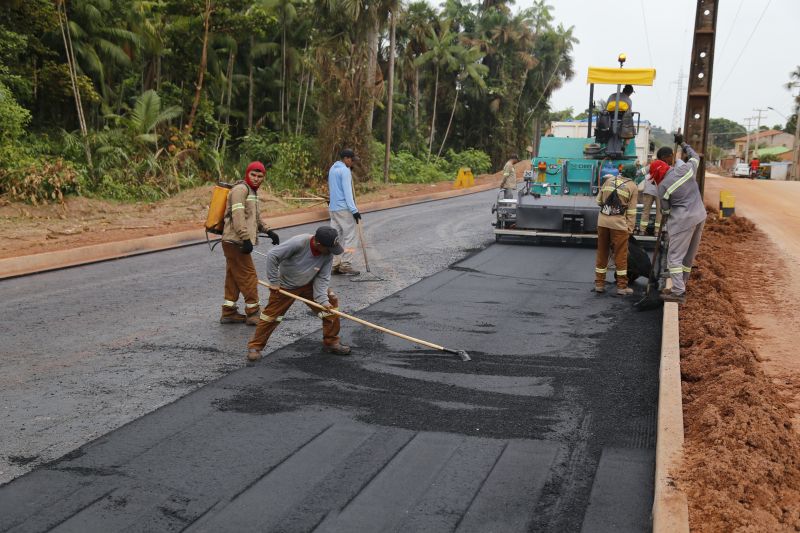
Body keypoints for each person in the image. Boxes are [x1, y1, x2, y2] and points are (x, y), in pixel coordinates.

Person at [247, 226, 351, 361]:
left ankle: (331, 342)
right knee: (270, 317)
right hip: (286, 286)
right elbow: (273, 255)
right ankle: (255, 347)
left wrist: (322, 300)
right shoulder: (299, 243)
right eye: (328, 249)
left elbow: (323, 278)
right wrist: (274, 281)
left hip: (310, 283)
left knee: (331, 305)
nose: (330, 252)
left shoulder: (328, 253)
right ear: (318, 243)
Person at [220, 161, 280, 325]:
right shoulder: (240, 190)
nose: (256, 179)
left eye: (260, 176)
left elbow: (255, 218)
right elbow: (238, 216)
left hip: (236, 240)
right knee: (249, 276)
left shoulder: (252, 192)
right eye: (253, 175)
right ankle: (253, 313)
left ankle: (228, 311)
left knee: (234, 276)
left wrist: (268, 231)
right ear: (247, 174)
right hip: (235, 241)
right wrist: (245, 238)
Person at [649, 134, 706, 304]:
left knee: (674, 257)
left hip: (683, 221)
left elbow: (665, 211)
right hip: (700, 215)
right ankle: (682, 284)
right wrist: (683, 143)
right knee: (688, 257)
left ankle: (678, 292)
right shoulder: (686, 169)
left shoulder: (663, 187)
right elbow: (695, 157)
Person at [594, 171, 638, 296]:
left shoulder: (608, 181)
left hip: (602, 222)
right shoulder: (633, 186)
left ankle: (599, 284)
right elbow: (632, 211)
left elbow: (598, 201)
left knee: (602, 252)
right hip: (618, 225)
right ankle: (622, 287)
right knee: (620, 255)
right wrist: (629, 228)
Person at [328, 148, 361, 275]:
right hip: (344, 209)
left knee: (335, 237)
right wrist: (354, 210)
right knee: (351, 236)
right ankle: (346, 264)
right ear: (346, 158)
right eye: (352, 160)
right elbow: (348, 193)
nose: (352, 163)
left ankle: (335, 264)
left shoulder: (332, 168)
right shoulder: (345, 171)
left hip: (333, 208)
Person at [637, 159, 662, 236]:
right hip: (660, 191)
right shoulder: (666, 167)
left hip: (648, 190)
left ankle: (642, 230)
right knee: (659, 211)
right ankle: (657, 231)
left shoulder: (651, 166)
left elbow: (639, 172)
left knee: (646, 210)